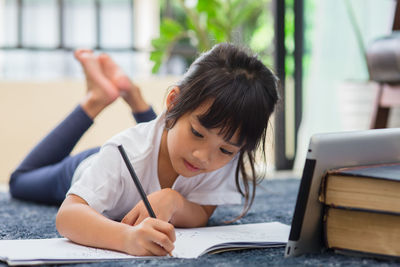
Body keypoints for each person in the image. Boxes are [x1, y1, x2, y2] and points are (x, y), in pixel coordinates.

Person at [9, 43, 279, 257]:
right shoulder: (120, 153)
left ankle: (135, 98)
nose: (204, 157)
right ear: (171, 102)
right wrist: (127, 239)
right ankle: (96, 100)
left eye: (226, 150)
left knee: (171, 137)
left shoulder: (224, 154)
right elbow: (67, 217)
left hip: (153, 145)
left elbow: (203, 211)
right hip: (86, 167)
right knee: (20, 181)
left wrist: (173, 199)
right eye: (197, 134)